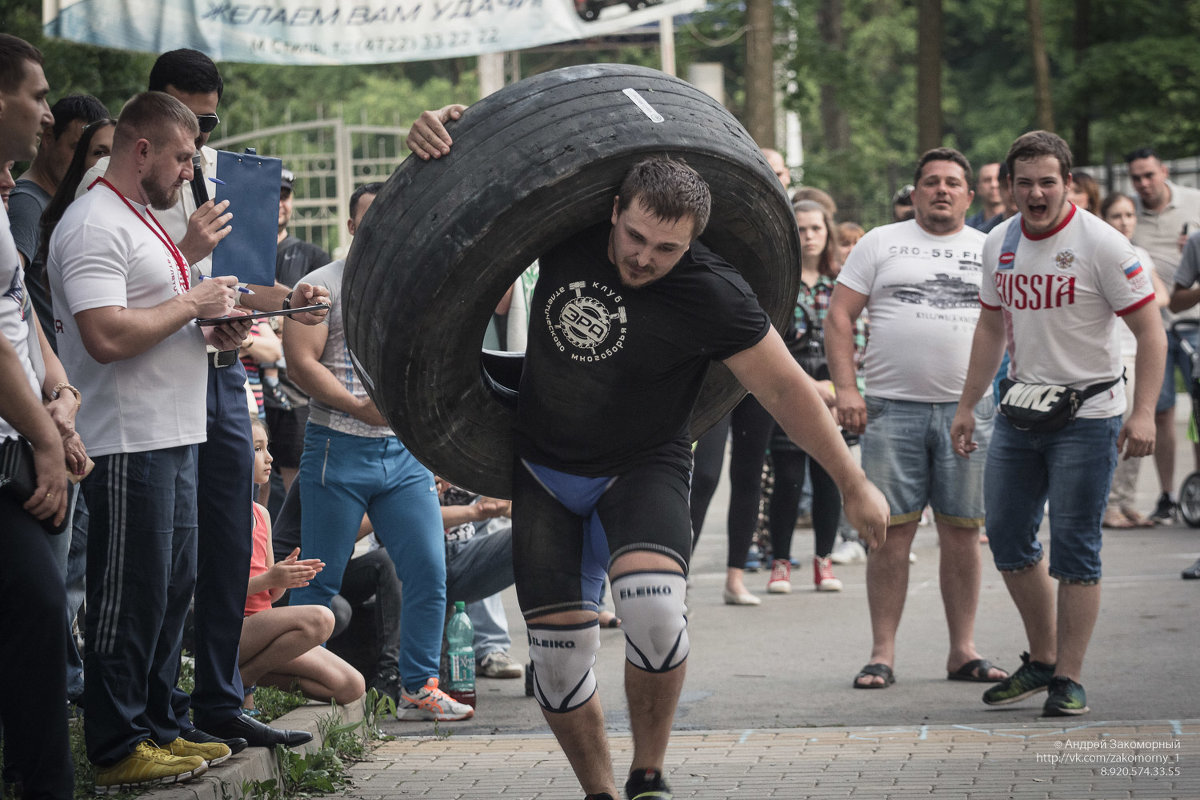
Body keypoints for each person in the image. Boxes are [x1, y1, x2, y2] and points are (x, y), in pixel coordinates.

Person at [409, 107, 889, 800]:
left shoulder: (714, 292)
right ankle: (600, 791)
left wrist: (851, 480)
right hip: (543, 470)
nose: (643, 257)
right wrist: (449, 132)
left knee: (657, 615)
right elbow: (481, 181)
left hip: (643, 466)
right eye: (635, 237)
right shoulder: (563, 235)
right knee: (560, 666)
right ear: (613, 211)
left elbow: (786, 391)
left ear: (692, 241)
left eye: (665, 249)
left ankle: (649, 775)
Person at [74, 49, 331, 751]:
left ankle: (213, 699)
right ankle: (141, 721)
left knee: (218, 541)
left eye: (210, 127)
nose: (200, 146)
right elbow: (133, 300)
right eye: (189, 130)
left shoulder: (214, 173)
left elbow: (236, 281)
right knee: (150, 561)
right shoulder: (113, 188)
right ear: (152, 117)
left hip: (217, 369)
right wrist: (194, 279)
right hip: (146, 393)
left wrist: (287, 301)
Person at [48, 90, 251, 791]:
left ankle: (158, 722)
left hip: (173, 430)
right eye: (183, 157)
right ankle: (116, 743)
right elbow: (104, 336)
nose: (190, 172)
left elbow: (158, 316)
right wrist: (193, 304)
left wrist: (212, 327)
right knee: (128, 594)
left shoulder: (144, 221)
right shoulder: (93, 223)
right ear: (142, 150)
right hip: (125, 437)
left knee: (170, 588)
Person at [950, 130, 1166, 717]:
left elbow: (1151, 331)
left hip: (1089, 416)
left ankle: (1068, 677)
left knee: (1076, 551)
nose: (1037, 193)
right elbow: (992, 327)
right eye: (1025, 183)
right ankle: (1042, 659)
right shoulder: (1000, 240)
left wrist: (1143, 411)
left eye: (1048, 181)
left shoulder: (1102, 244)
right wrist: (968, 405)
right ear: (1008, 187)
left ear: (1069, 183)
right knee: (1010, 538)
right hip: (1022, 412)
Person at [284, 182, 474, 722]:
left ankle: (418, 688)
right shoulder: (319, 287)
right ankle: (301, 680)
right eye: (367, 221)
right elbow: (300, 364)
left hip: (403, 452)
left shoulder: (415, 286)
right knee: (318, 576)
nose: (378, 230)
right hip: (336, 448)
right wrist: (356, 407)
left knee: (428, 571)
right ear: (351, 228)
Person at [826, 147, 1007, 690]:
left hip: (969, 412)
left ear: (970, 196)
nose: (942, 190)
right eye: (931, 182)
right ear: (915, 191)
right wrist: (845, 389)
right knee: (889, 534)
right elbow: (839, 316)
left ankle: (963, 651)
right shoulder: (881, 242)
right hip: (888, 409)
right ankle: (882, 653)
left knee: (962, 532)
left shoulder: (990, 247)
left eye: (953, 183)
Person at [0, 33, 77, 800]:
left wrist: (61, 392)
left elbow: (22, 314)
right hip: (16, 451)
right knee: (40, 605)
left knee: (37, 613)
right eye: (37, 95)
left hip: (24, 438)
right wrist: (45, 439)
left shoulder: (4, 199)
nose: (47, 113)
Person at [240, 417, 363, 710]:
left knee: (352, 686)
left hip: (265, 631)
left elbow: (270, 597)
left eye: (267, 447)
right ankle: (241, 684)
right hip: (235, 629)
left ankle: (244, 676)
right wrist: (269, 579)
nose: (269, 457)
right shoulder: (218, 515)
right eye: (257, 449)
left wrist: (282, 579)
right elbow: (213, 591)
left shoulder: (262, 515)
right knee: (321, 619)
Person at [764, 200, 854, 593]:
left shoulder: (842, 282)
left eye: (816, 228)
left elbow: (857, 337)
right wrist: (809, 385)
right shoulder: (780, 283)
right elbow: (770, 348)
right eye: (801, 229)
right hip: (789, 391)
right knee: (787, 479)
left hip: (836, 391)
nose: (810, 237)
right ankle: (780, 562)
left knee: (829, 478)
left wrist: (847, 388)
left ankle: (824, 561)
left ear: (827, 232)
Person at [1124, 146, 1200, 524]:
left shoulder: (1194, 203)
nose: (1144, 184)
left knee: (1197, 412)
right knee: (1160, 410)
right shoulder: (1129, 214)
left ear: (1164, 171)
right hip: (1151, 323)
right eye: (1136, 178)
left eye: (1149, 175)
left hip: (1193, 320)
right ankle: (1168, 495)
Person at [1100, 192, 1167, 529]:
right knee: (1117, 430)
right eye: (1116, 215)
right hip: (1116, 353)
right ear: (1104, 219)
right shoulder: (1102, 251)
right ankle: (1109, 505)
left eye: (1129, 215)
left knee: (1141, 428)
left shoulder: (1139, 254)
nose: (1124, 221)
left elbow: (1164, 295)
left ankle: (1127, 502)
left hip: (1141, 352)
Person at [966, 162, 1003, 231]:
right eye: (987, 180)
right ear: (978, 188)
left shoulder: (1019, 223)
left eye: (998, 179)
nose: (994, 185)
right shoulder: (968, 228)